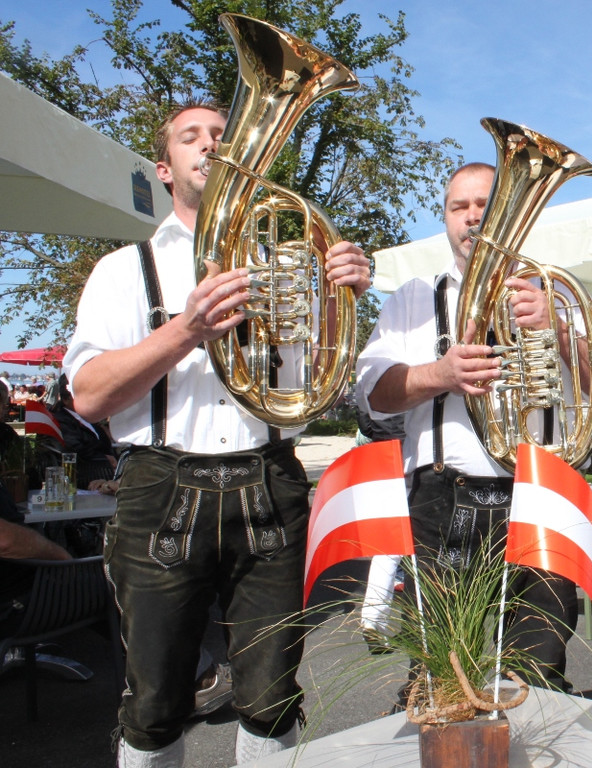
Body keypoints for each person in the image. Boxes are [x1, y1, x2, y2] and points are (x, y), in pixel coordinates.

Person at [62, 99, 371, 767]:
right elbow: (87, 395)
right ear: (164, 167)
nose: (210, 145)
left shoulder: (286, 264)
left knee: (271, 695)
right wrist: (186, 329)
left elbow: (309, 401)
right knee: (153, 703)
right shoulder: (124, 268)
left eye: (223, 136)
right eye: (191, 137)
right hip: (160, 485)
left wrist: (338, 300)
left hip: (269, 480)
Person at [356, 161, 592, 695]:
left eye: (484, 204)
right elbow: (371, 392)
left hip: (540, 495)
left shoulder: (561, 294)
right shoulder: (416, 296)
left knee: (539, 669)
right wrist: (440, 374)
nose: (472, 217)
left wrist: (558, 327)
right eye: (459, 207)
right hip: (443, 500)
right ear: (445, 220)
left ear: (510, 214)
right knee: (438, 672)